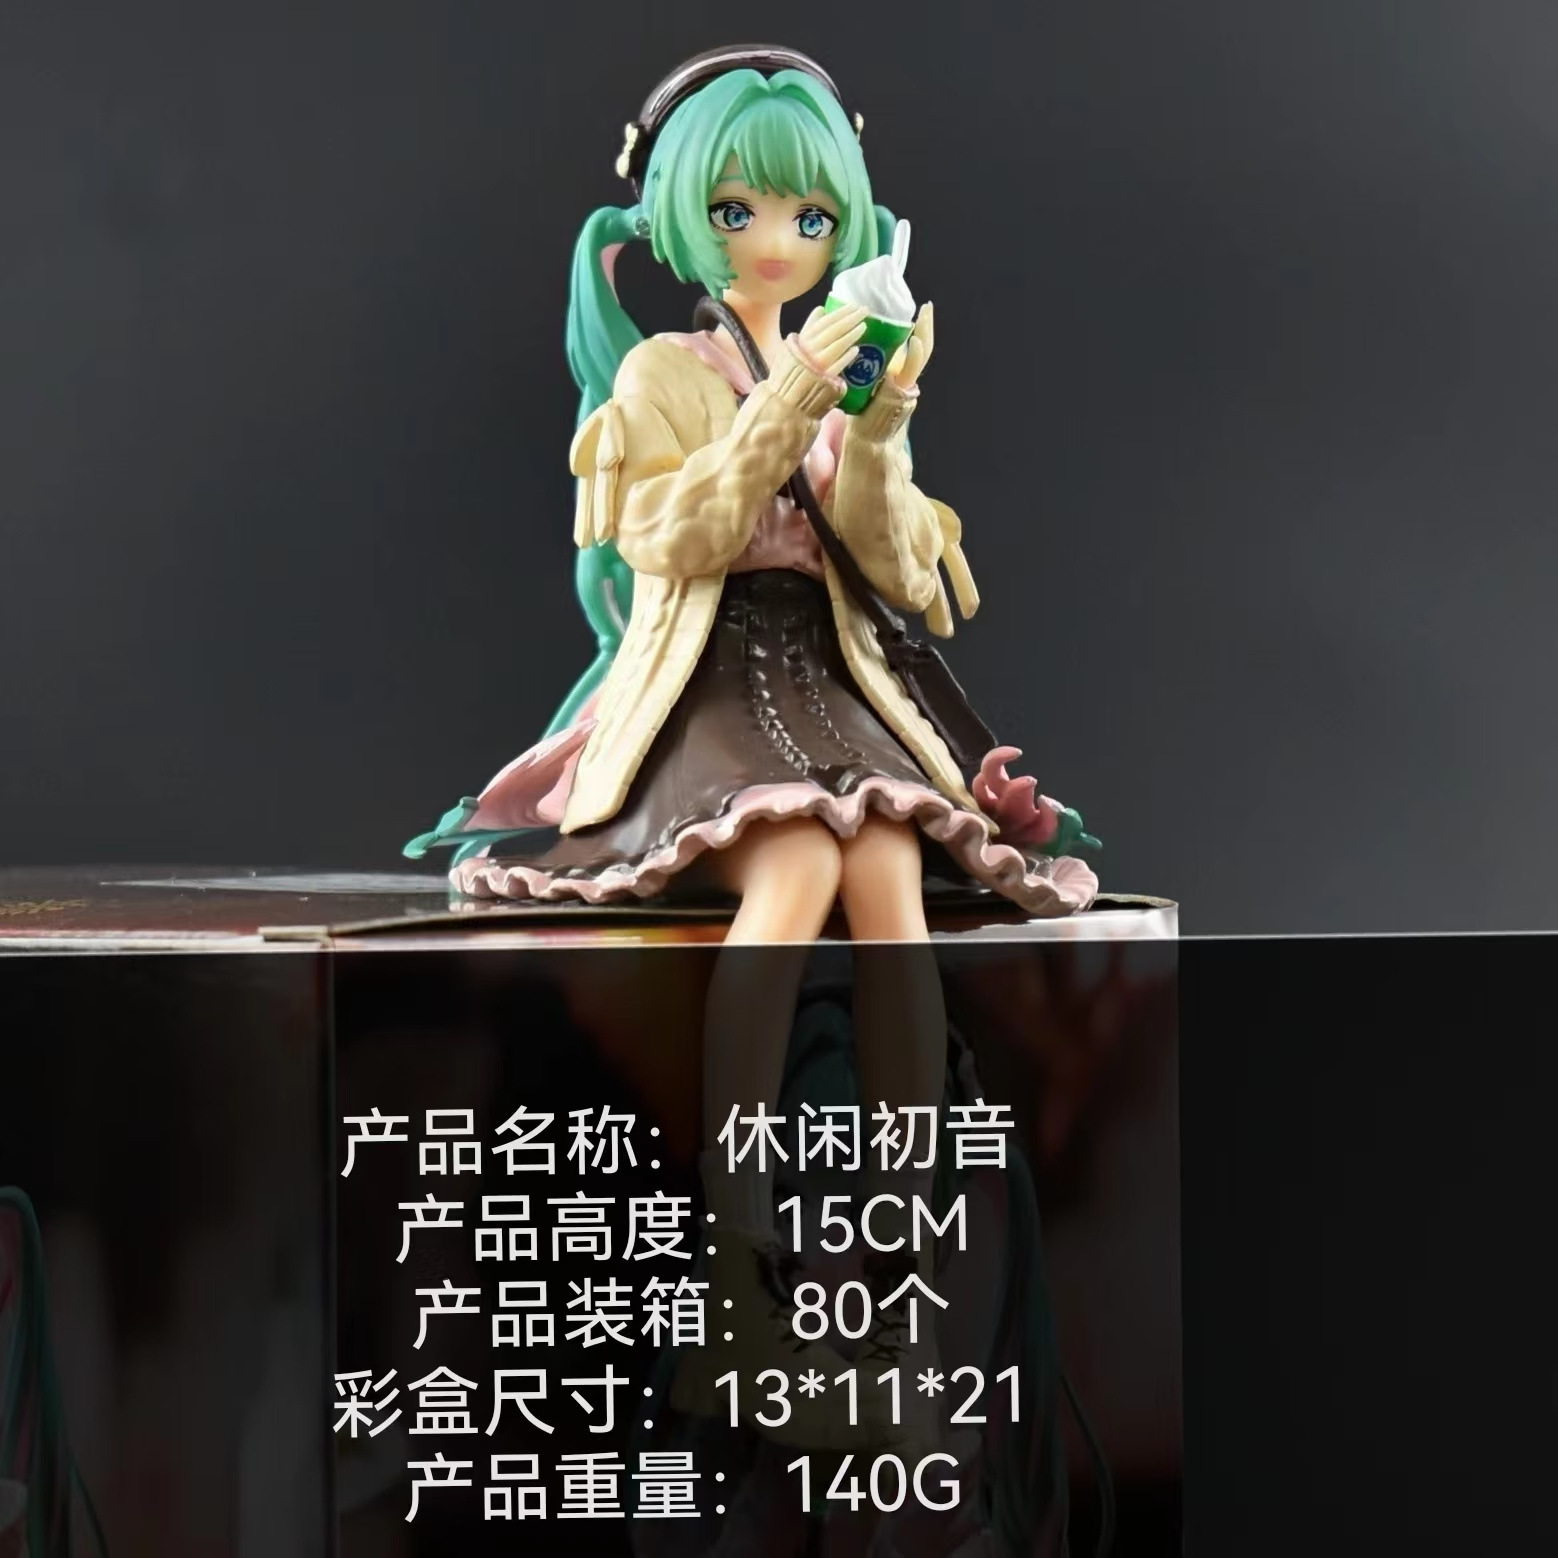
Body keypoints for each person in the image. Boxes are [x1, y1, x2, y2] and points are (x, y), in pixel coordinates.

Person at [404, 46, 1100, 1449]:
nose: (775, 242)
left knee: (888, 872)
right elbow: (670, 538)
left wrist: (878, 423)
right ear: (680, 213)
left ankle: (897, 1295)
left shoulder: (841, 368)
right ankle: (734, 1282)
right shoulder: (664, 372)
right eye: (736, 211)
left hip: (834, 682)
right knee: (791, 869)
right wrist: (788, 409)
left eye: (808, 217)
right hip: (703, 689)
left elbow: (896, 570)